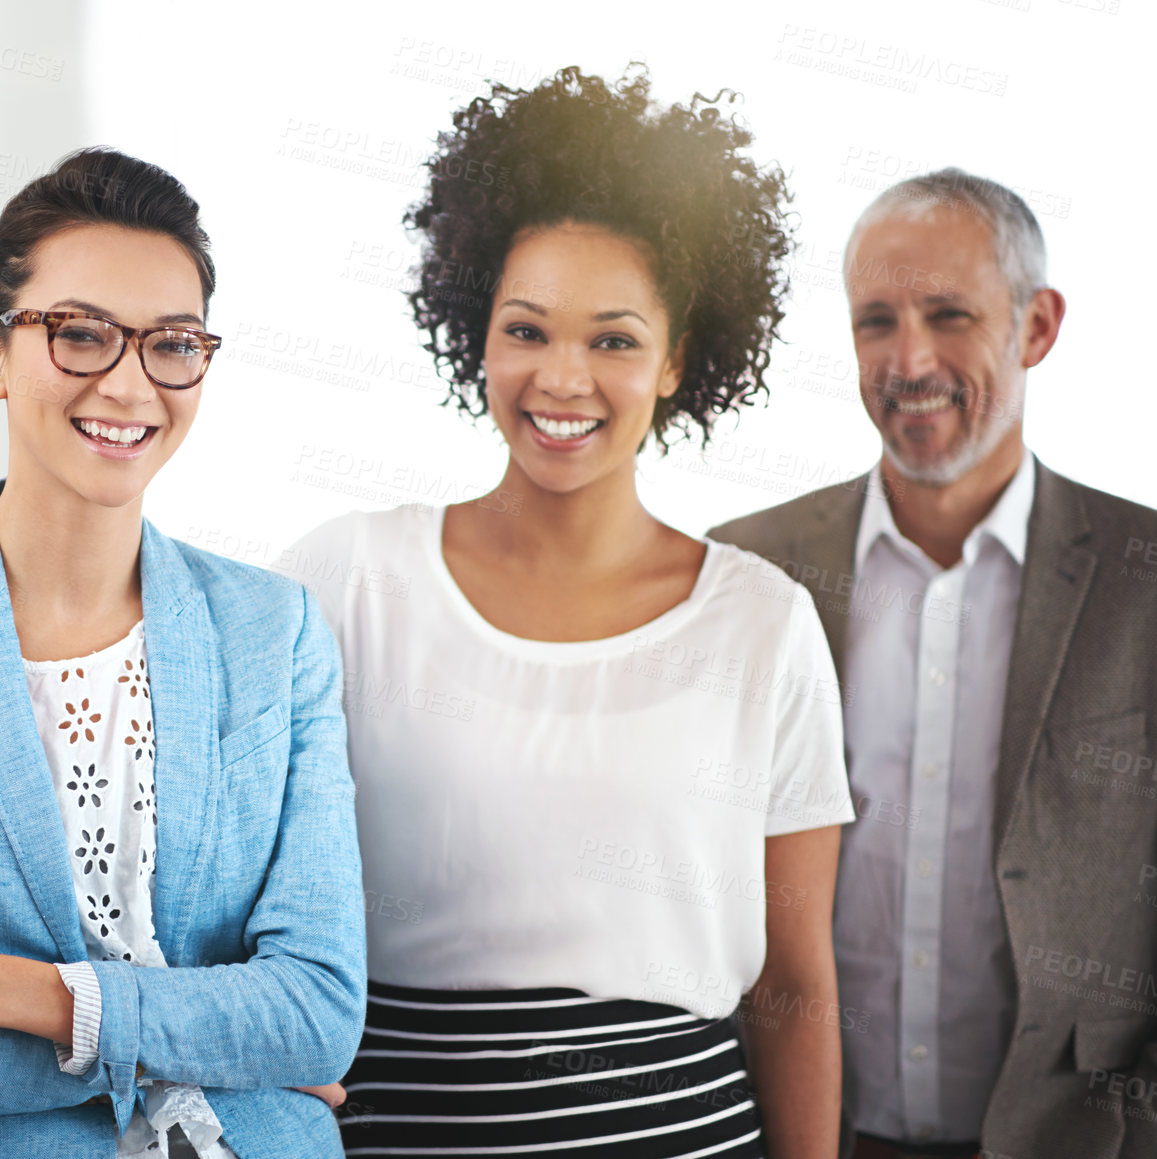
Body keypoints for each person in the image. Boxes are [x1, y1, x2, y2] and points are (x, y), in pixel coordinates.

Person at [271, 68, 851, 1158]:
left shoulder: (762, 625)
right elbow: (132, 686)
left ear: (679, 359)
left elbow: (793, 983)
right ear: (476, 337)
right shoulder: (348, 580)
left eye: (616, 340)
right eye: (527, 330)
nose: (563, 378)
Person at [0, 147, 366, 1159]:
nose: (131, 382)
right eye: (81, 333)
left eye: (172, 342)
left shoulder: (277, 632)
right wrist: (216, 1041)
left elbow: (316, 1013)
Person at [711, 169, 1157, 1159]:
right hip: (803, 1133)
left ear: (1036, 327)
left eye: (949, 315)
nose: (907, 359)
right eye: (876, 321)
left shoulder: (1145, 579)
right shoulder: (746, 566)